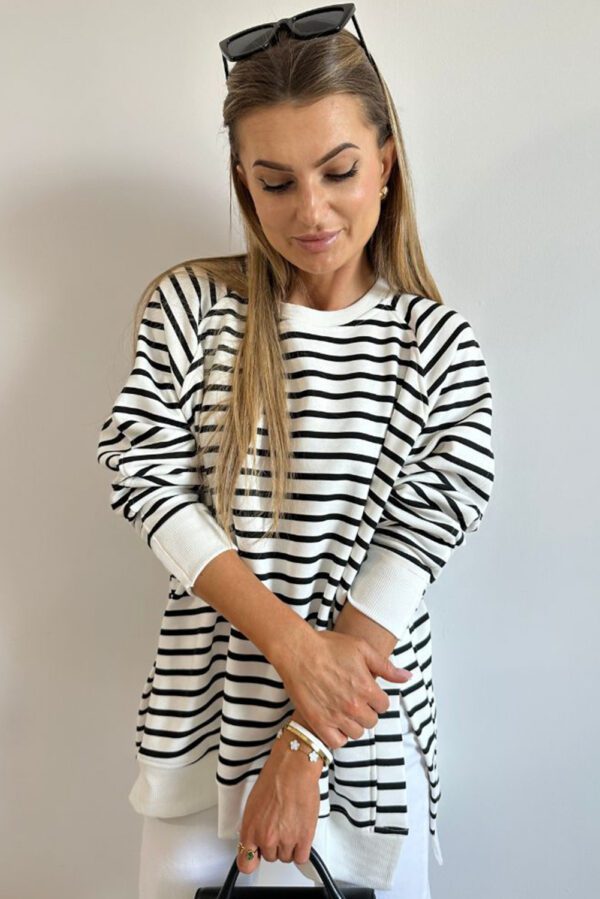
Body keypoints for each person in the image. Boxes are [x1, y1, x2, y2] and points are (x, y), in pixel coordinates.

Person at [96, 6, 495, 898]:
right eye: (275, 182)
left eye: (339, 171)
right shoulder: (193, 309)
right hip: (201, 741)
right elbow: (143, 476)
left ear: (386, 162)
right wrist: (294, 649)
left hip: (364, 755)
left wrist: (303, 744)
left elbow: (411, 552)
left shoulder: (439, 347)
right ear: (243, 182)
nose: (310, 211)